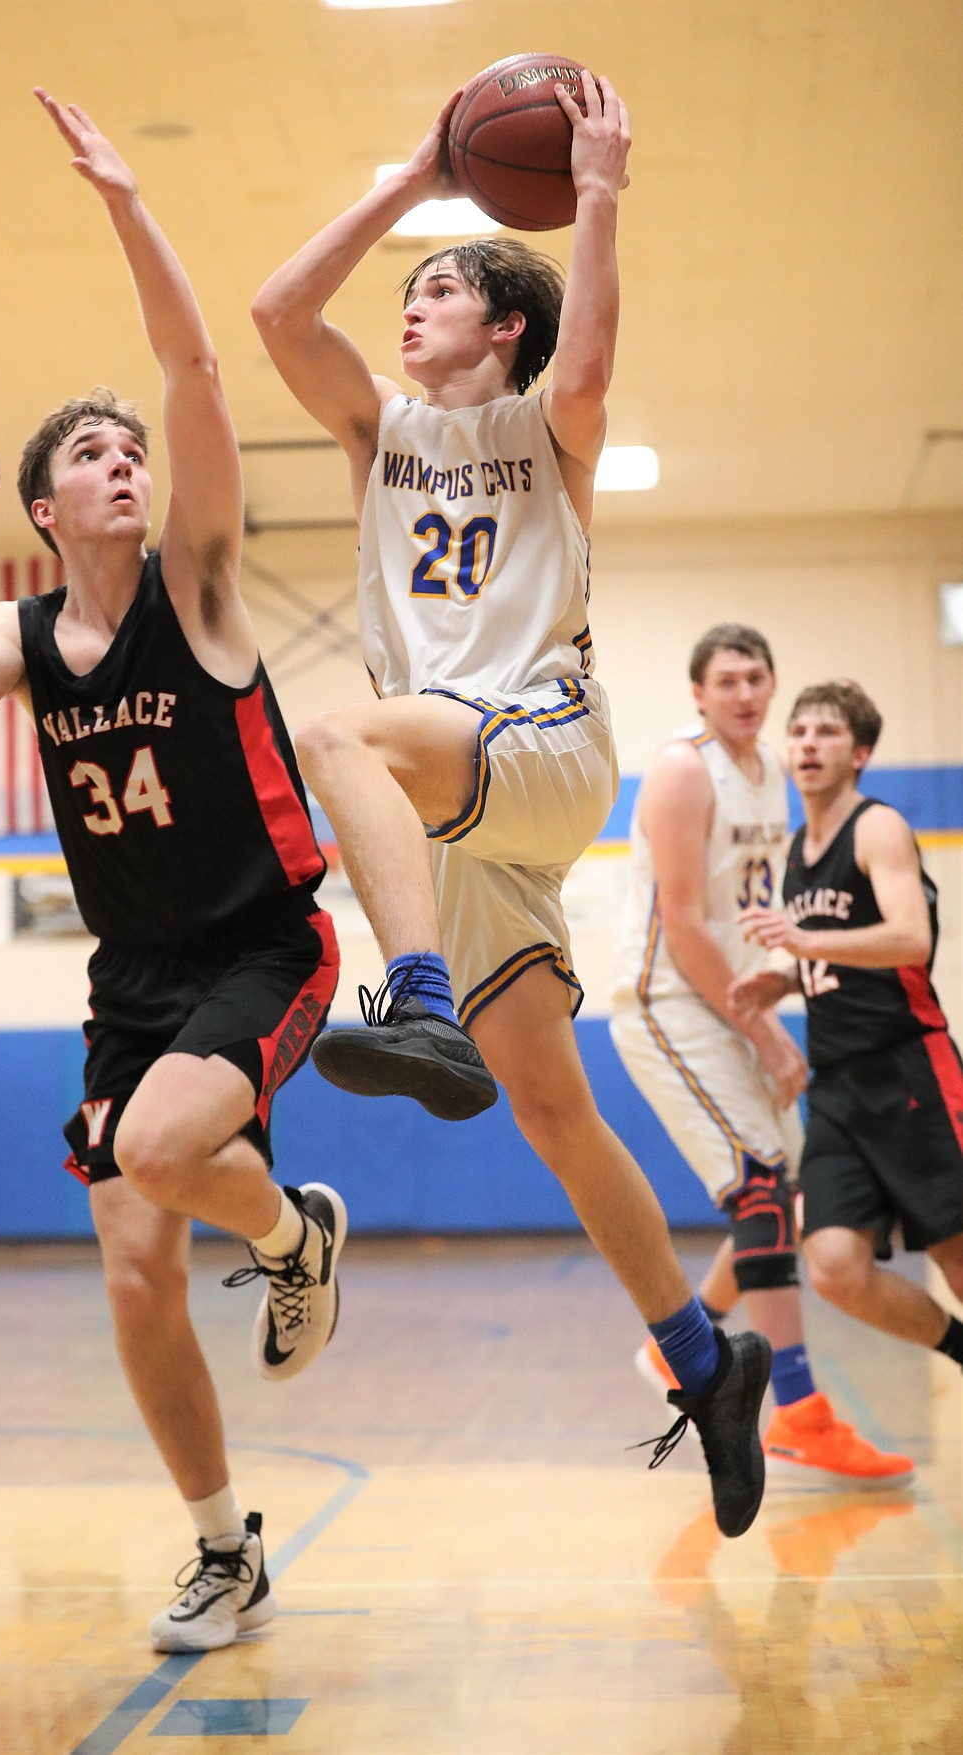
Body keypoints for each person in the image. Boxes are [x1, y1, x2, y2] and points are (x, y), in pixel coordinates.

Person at [252, 75, 771, 1538]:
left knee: (332, 728)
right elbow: (277, 316)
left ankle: (410, 990)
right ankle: (700, 1351)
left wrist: (597, 191)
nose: (408, 308)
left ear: (504, 327)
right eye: (408, 291)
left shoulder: (549, 432)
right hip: (451, 798)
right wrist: (408, 185)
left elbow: (594, 364)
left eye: (437, 290)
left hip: (534, 734)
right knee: (549, 1105)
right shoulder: (381, 437)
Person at [0, 90, 347, 1653]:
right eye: (88, 457)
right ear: (44, 505)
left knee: (161, 1154)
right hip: (134, 979)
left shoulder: (202, 583)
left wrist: (122, 199)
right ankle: (224, 1547)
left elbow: (194, 367)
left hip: (266, 947)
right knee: (134, 1274)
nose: (122, 465)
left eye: (127, 452)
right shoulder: (26, 636)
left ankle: (294, 1232)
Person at [610, 626, 914, 1487]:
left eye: (756, 678)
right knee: (758, 1179)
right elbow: (684, 922)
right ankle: (800, 1411)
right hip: (670, 1001)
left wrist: (774, 990)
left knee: (783, 1184)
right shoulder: (681, 767)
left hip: (735, 1000)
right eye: (726, 680)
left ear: (773, 686)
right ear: (698, 694)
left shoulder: (771, 774)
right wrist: (766, 1030)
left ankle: (680, 1349)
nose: (745, 693)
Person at [730, 678, 963, 1378]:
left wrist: (801, 945)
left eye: (827, 732)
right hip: (837, 1086)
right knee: (832, 1264)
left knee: (955, 1256)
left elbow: (908, 939)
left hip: (908, 1070)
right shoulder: (798, 848)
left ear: (859, 752)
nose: (807, 743)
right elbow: (833, 953)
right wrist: (781, 978)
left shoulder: (877, 825)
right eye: (799, 731)